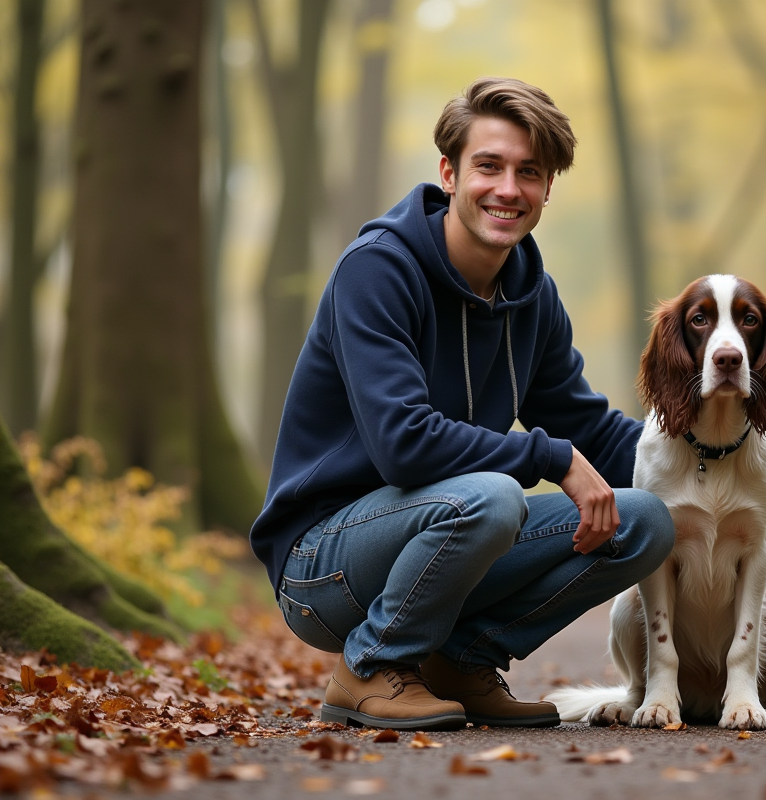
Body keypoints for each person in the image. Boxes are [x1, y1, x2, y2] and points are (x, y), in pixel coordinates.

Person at [249, 77, 675, 731]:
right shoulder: (377, 271)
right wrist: (550, 456)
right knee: (492, 496)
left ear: (547, 188)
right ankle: (368, 668)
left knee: (641, 519)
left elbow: (586, 425)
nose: (509, 188)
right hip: (321, 566)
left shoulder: (532, 297)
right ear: (449, 173)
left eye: (528, 172)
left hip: (443, 531)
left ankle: (459, 659)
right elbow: (403, 443)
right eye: (489, 166)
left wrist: (702, 448)